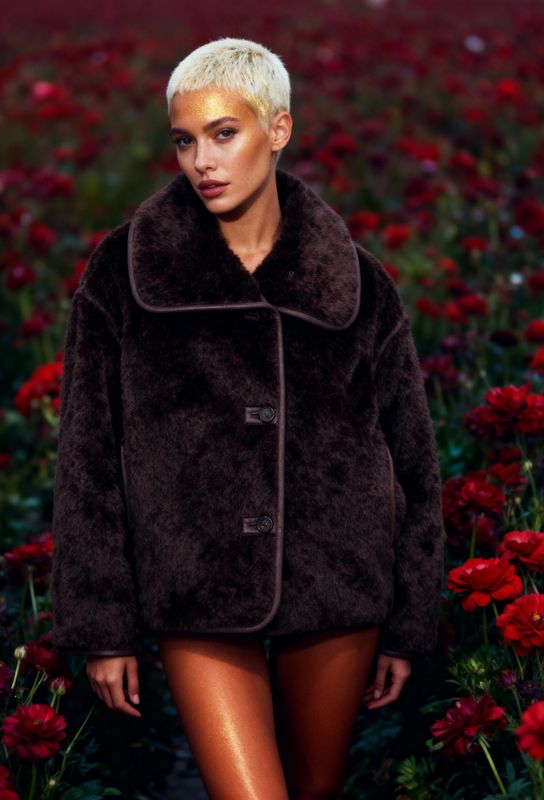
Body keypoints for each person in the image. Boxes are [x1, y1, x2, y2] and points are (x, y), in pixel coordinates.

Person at [51, 37, 446, 799]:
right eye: (184, 140)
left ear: (279, 128)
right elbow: (88, 454)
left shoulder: (358, 281)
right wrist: (102, 625)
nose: (202, 161)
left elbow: (412, 456)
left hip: (338, 577)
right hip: (196, 582)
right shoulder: (124, 272)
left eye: (224, 134)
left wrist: (408, 620)